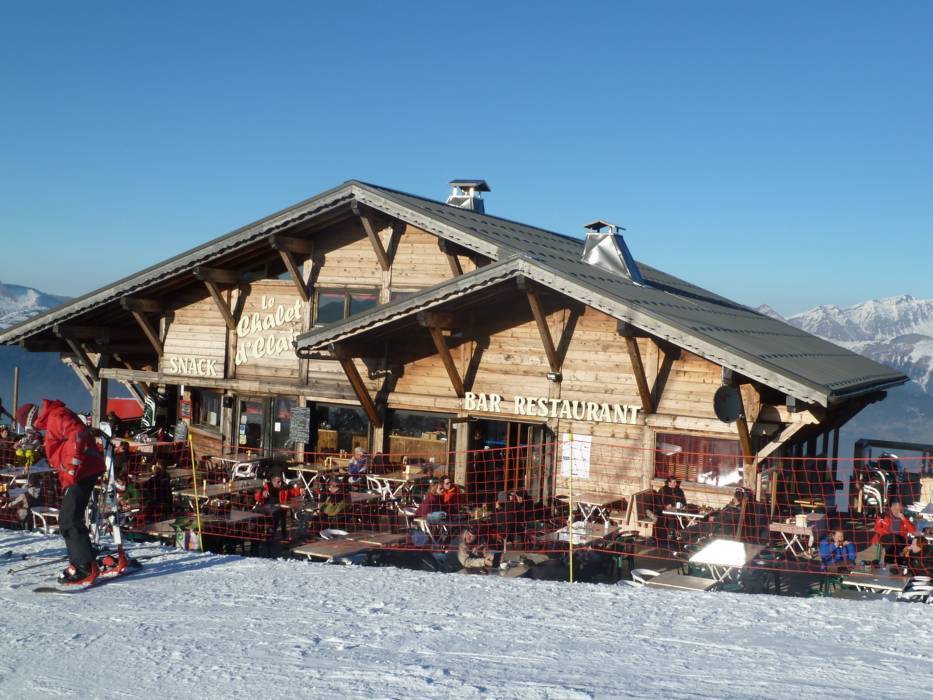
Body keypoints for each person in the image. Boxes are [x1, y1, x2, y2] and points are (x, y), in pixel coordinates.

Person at [15, 401, 106, 585]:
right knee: (71, 517)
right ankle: (86, 559)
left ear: (32, 420)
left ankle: (84, 567)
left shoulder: (56, 416)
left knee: (68, 519)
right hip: (82, 470)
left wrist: (72, 467)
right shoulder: (53, 418)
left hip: (82, 471)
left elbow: (77, 434)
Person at [253, 473, 300, 540]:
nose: (280, 483)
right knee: (260, 512)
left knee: (277, 512)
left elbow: (293, 492)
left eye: (281, 481)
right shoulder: (268, 486)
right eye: (278, 482)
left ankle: (272, 533)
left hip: (280, 507)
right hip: (267, 507)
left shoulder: (284, 486)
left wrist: (300, 490)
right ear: (273, 482)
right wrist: (263, 494)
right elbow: (257, 497)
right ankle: (262, 533)